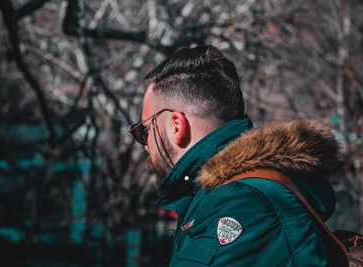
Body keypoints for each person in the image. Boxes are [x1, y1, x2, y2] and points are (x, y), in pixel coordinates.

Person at [129, 45, 342, 266]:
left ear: (176, 125)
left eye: (144, 130)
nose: (145, 144)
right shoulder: (216, 195)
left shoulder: (242, 203)